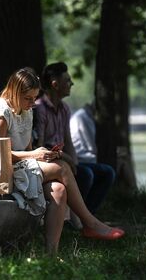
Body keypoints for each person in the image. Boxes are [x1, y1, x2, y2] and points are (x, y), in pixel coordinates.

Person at [0, 67, 124, 255]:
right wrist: (34, 156)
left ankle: (51, 255)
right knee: (62, 168)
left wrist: (43, 155)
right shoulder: (1, 116)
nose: (33, 103)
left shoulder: (25, 109)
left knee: (59, 190)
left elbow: (27, 150)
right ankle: (90, 223)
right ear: (15, 92)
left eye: (34, 98)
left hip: (17, 168)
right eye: (29, 98)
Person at [35, 63, 115, 216]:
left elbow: (68, 141)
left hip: (65, 160)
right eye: (67, 80)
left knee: (107, 172)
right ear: (55, 84)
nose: (71, 84)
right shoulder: (40, 109)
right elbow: (40, 147)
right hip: (51, 162)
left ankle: (87, 215)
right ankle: (76, 218)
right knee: (86, 175)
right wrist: (68, 162)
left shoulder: (64, 108)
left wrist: (74, 164)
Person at [70, 102, 116, 214]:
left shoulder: (83, 116)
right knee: (90, 173)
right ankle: (85, 213)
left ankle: (88, 214)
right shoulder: (83, 118)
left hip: (80, 158)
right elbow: (92, 147)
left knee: (108, 171)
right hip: (81, 159)